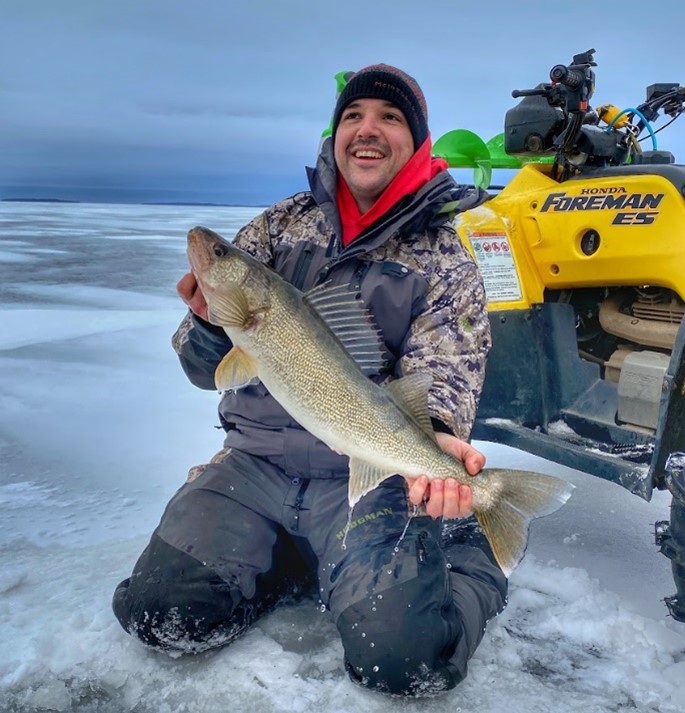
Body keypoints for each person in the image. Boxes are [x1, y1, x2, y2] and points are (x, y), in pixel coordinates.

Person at [112, 64, 508, 696]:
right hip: (256, 467)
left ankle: (461, 550)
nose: (367, 130)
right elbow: (197, 367)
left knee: (405, 661)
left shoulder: (445, 257)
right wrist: (212, 324)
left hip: (365, 476)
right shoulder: (278, 227)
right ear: (335, 134)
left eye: (389, 118)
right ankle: (299, 559)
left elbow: (441, 379)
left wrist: (437, 442)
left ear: (418, 142)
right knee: (161, 617)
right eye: (353, 116)